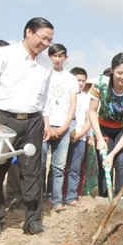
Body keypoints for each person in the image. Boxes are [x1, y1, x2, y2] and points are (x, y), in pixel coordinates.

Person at [0, 17, 54, 237]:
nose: (47, 43)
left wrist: (45, 120)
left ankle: (32, 221)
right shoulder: (3, 55)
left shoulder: (45, 64)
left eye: (50, 39)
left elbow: (44, 97)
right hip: (3, 119)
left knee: (33, 172)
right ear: (29, 32)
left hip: (33, 122)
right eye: (43, 38)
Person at [89, 53, 123, 198]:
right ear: (112, 71)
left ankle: (122, 197)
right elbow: (92, 112)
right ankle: (105, 197)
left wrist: (113, 154)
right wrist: (99, 138)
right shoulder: (100, 84)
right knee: (105, 162)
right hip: (103, 128)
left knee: (122, 161)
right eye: (120, 73)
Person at [42, 44, 78, 211]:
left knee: (58, 167)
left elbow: (72, 105)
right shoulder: (44, 74)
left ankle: (56, 200)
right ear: (49, 57)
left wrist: (65, 127)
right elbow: (42, 102)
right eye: (54, 56)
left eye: (60, 56)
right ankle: (40, 198)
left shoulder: (71, 79)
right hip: (44, 125)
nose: (57, 59)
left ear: (66, 57)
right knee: (40, 164)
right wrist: (46, 125)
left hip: (63, 125)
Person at [64, 67, 91, 206]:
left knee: (75, 168)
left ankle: (71, 196)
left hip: (80, 137)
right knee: (59, 167)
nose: (80, 83)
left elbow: (89, 119)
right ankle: (52, 194)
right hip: (63, 136)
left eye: (83, 80)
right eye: (77, 80)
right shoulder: (65, 95)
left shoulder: (88, 98)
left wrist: (80, 134)